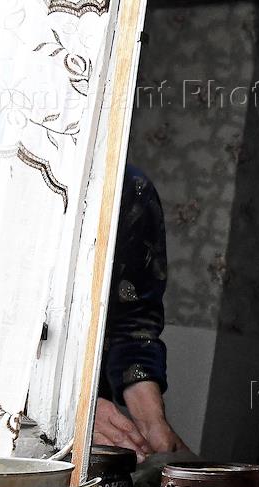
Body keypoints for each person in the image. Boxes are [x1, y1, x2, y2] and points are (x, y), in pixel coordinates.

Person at [93, 165, 186, 461]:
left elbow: (133, 324)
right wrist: (72, 411)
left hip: (93, 413)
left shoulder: (130, 187)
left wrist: (151, 423)